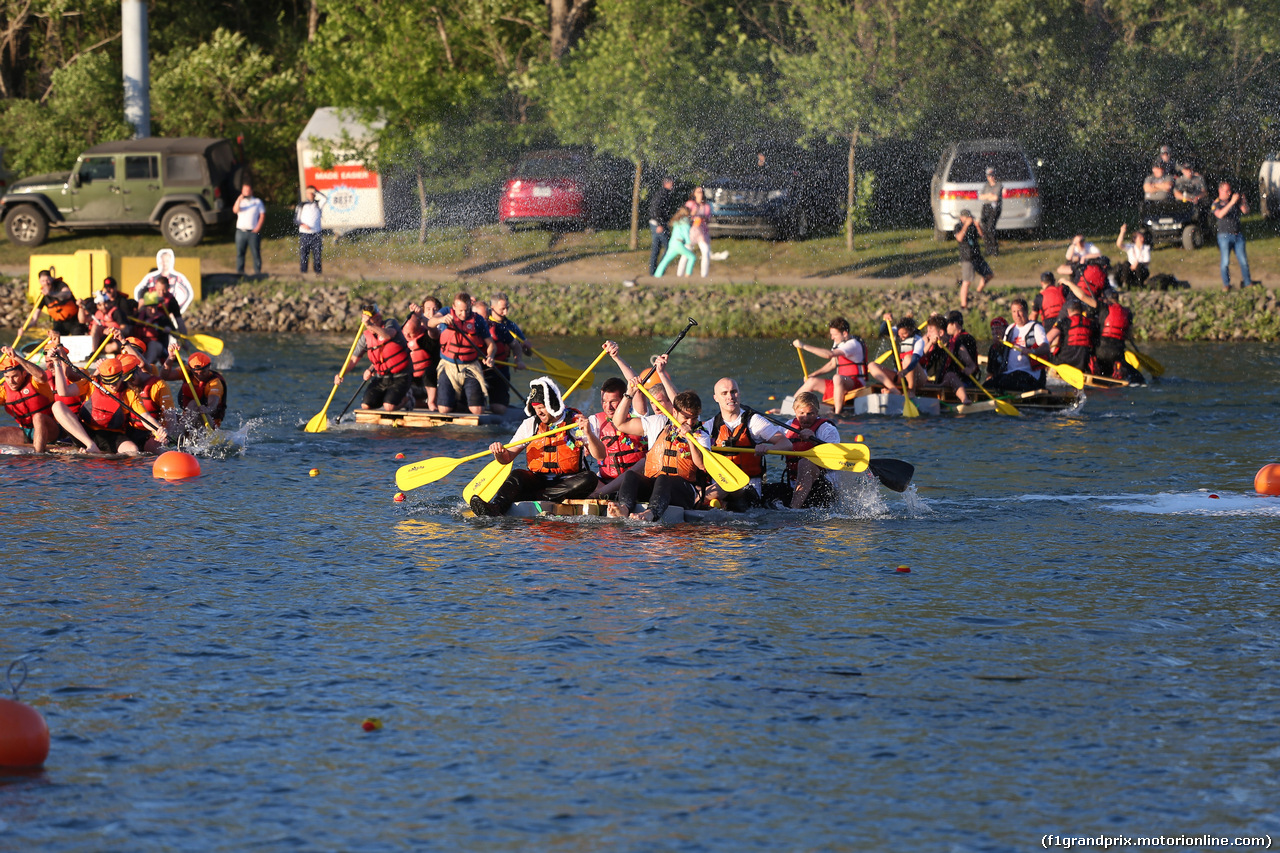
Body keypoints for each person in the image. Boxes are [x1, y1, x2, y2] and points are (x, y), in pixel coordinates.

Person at [469, 377, 598, 518]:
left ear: (552, 405)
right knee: (517, 475)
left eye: (542, 408)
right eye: (535, 408)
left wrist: (589, 434)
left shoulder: (575, 422)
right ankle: (495, 507)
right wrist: (499, 453)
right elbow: (507, 458)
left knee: (590, 478)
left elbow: (600, 456)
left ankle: (532, 496)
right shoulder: (530, 424)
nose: (539, 413)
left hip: (569, 481)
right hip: (538, 481)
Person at [609, 379, 710, 522]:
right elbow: (619, 424)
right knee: (631, 475)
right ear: (674, 412)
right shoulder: (659, 422)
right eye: (685, 417)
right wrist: (629, 394)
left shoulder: (701, 434)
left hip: (683, 492)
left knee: (664, 478)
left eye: (693, 418)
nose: (689, 423)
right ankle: (624, 508)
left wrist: (690, 439)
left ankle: (651, 513)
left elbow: (701, 465)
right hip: (655, 488)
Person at [702, 377, 791, 512]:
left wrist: (767, 448)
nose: (730, 397)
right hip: (719, 489)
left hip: (749, 490)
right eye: (724, 393)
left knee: (730, 489)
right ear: (716, 398)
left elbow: (786, 443)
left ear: (739, 394)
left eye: (734, 392)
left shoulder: (754, 422)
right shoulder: (710, 426)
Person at [791, 317, 897, 416]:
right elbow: (832, 364)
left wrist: (804, 346)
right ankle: (792, 406)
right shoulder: (838, 343)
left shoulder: (853, 344)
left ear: (845, 333)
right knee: (812, 381)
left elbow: (829, 355)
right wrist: (812, 375)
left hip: (855, 383)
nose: (832, 337)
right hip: (840, 383)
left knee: (837, 378)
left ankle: (837, 413)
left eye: (835, 335)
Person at [0, 346, 98, 452]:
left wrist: (16, 357)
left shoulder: (36, 381)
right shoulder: (4, 390)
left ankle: (37, 457)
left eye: (14, 376)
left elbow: (65, 375)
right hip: (27, 431)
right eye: (7, 377)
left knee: (38, 417)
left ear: (24, 374)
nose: (11, 381)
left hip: (56, 428)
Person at [334, 303, 414, 413]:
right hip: (381, 377)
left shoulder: (391, 323)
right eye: (368, 322)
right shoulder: (365, 338)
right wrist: (341, 374)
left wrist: (370, 325)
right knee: (366, 406)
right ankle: (388, 399)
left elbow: (388, 335)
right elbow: (352, 360)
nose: (370, 324)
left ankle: (407, 400)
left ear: (379, 318)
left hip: (402, 375)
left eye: (372, 320)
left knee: (389, 406)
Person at [81, 357, 166, 455]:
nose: (130, 382)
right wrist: (101, 368)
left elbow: (146, 417)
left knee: (139, 450)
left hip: (135, 433)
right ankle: (93, 445)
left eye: (132, 378)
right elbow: (66, 390)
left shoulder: (136, 391)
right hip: (93, 430)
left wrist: (159, 429)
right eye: (109, 381)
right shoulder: (94, 383)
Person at [776, 391, 842, 509]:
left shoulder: (827, 430)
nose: (805, 418)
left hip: (824, 488)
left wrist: (814, 441)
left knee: (805, 462)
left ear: (817, 412)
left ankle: (793, 510)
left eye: (810, 414)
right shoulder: (787, 427)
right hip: (794, 485)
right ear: (795, 411)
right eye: (801, 413)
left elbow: (835, 461)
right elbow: (766, 436)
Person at [434, 292, 496, 416]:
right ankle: (456, 401)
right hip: (448, 366)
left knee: (477, 411)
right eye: (460, 311)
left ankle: (471, 401)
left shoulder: (477, 320)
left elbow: (491, 345)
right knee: (444, 410)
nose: (464, 314)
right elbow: (430, 322)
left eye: (467, 310)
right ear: (454, 306)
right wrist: (440, 319)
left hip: (470, 367)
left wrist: (490, 356)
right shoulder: (446, 312)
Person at [989, 299, 1047, 392]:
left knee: (1005, 382)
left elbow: (1045, 348)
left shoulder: (1036, 327)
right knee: (988, 385)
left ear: (1026, 311)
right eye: (1014, 312)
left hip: (1030, 375)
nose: (1017, 315)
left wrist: (1032, 351)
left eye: (1019, 311)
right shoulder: (1010, 329)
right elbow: (1003, 352)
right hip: (1010, 374)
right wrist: (998, 345)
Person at [484, 293, 527, 417]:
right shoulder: (476, 323)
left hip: (501, 367)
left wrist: (518, 360)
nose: (506, 312)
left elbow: (520, 347)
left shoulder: (508, 326)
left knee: (499, 408)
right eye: (502, 308)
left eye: (507, 307)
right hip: (481, 368)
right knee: (477, 407)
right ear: (492, 309)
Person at [1212, 180, 1252, 292]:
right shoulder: (1216, 203)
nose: (1229, 193)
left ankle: (1247, 282)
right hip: (1224, 236)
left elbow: (1245, 211)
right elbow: (1220, 214)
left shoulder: (1235, 201)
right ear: (1220, 190)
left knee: (1243, 261)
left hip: (1238, 235)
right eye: (1226, 190)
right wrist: (1231, 203)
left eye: (1230, 190)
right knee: (1225, 262)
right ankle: (1226, 285)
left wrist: (1243, 200)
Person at [1093, 292, 1143, 383]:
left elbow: (1082, 297)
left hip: (1101, 351)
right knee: (1135, 375)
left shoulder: (1104, 308)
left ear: (1107, 300)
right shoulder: (1127, 313)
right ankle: (1138, 380)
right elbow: (1129, 334)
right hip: (1117, 353)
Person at [403, 296, 442, 410]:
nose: (432, 312)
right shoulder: (413, 327)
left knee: (430, 371)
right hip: (414, 375)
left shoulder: (442, 326)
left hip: (435, 372)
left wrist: (420, 317)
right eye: (428, 309)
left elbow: (433, 331)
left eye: (435, 309)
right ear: (423, 311)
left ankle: (432, 402)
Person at [175, 351, 227, 428]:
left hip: (210, 422)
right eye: (196, 373)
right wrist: (171, 358)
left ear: (208, 367)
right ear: (191, 369)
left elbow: (214, 401)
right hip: (188, 419)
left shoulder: (215, 382)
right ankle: (180, 433)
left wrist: (207, 409)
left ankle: (184, 432)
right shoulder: (187, 371)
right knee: (171, 414)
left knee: (195, 406)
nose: (199, 375)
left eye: (203, 372)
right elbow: (165, 375)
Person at [82, 278, 130, 356]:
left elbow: (126, 330)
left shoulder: (116, 312)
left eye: (106, 303)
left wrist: (114, 331)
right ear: (97, 306)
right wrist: (81, 307)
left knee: (114, 346)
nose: (104, 307)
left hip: (114, 340)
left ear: (110, 303)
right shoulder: (97, 313)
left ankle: (98, 352)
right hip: (102, 340)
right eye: (100, 305)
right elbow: (82, 320)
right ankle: (94, 352)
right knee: (95, 327)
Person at [955, 209, 992, 309]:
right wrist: (966, 226)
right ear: (962, 218)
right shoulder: (958, 227)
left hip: (977, 256)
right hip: (967, 258)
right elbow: (959, 238)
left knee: (988, 275)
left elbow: (982, 236)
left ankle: (978, 291)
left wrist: (977, 226)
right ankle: (963, 304)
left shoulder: (973, 227)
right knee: (966, 281)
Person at [1048, 300, 1096, 374]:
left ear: (1068, 310)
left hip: (1064, 362)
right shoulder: (1090, 323)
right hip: (1083, 363)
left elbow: (1049, 338)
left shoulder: (1065, 321)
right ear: (1082, 310)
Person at [36, 270, 87, 336]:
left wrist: (51, 294)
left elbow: (67, 294)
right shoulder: (42, 297)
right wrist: (24, 328)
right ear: (40, 282)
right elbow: (35, 317)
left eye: (47, 280)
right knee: (55, 336)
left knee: (77, 335)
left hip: (74, 321)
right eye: (43, 281)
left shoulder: (60, 285)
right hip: (59, 324)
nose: (46, 283)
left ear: (51, 279)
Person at [647, 177, 679, 276]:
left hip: (655, 223)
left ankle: (653, 271)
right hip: (659, 224)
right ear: (666, 183)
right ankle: (659, 270)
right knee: (668, 247)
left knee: (656, 248)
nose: (673, 186)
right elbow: (656, 209)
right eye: (672, 184)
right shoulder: (663, 194)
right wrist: (660, 224)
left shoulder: (661, 193)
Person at [233, 182, 266, 276]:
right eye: (245, 190)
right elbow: (235, 210)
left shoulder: (257, 202)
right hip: (241, 231)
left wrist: (258, 227)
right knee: (240, 252)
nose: (246, 192)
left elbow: (262, 215)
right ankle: (240, 272)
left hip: (253, 232)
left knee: (256, 253)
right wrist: (239, 199)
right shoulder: (240, 202)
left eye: (248, 190)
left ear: (251, 191)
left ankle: (257, 272)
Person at [654, 209, 698, 278]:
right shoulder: (685, 222)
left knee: (665, 260)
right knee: (692, 257)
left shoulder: (677, 222)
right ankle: (688, 274)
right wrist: (689, 242)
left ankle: (657, 275)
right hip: (679, 243)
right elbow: (686, 233)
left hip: (672, 243)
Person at [685, 186, 712, 278]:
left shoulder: (706, 206)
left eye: (701, 192)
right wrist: (694, 213)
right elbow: (684, 216)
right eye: (698, 192)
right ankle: (679, 275)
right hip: (691, 231)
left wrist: (703, 218)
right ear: (694, 194)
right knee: (686, 253)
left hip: (702, 232)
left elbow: (708, 220)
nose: (700, 194)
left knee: (706, 251)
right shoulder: (690, 204)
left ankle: (704, 275)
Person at [297, 185, 325, 275]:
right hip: (305, 234)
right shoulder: (301, 205)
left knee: (317, 255)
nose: (310, 194)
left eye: (311, 193)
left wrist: (316, 191)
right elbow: (296, 219)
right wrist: (303, 224)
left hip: (316, 234)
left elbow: (325, 199)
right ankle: (303, 273)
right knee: (304, 255)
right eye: (308, 193)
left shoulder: (318, 204)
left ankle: (318, 273)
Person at [1115, 224, 1151, 290]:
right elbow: (1119, 244)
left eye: (1142, 237)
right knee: (1126, 264)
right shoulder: (1131, 247)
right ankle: (1126, 284)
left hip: (1141, 270)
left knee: (1139, 266)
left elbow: (1147, 261)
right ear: (1135, 239)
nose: (1142, 239)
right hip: (1131, 269)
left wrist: (1137, 264)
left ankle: (1140, 286)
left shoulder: (1146, 248)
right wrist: (1122, 232)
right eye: (1140, 237)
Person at [978, 166, 1003, 256]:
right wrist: (989, 195)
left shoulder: (998, 185)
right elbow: (981, 197)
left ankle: (994, 250)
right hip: (986, 207)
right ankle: (988, 249)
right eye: (989, 176)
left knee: (990, 228)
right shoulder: (986, 186)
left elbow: (996, 198)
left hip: (994, 208)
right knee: (984, 227)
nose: (991, 177)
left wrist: (987, 196)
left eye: (992, 175)